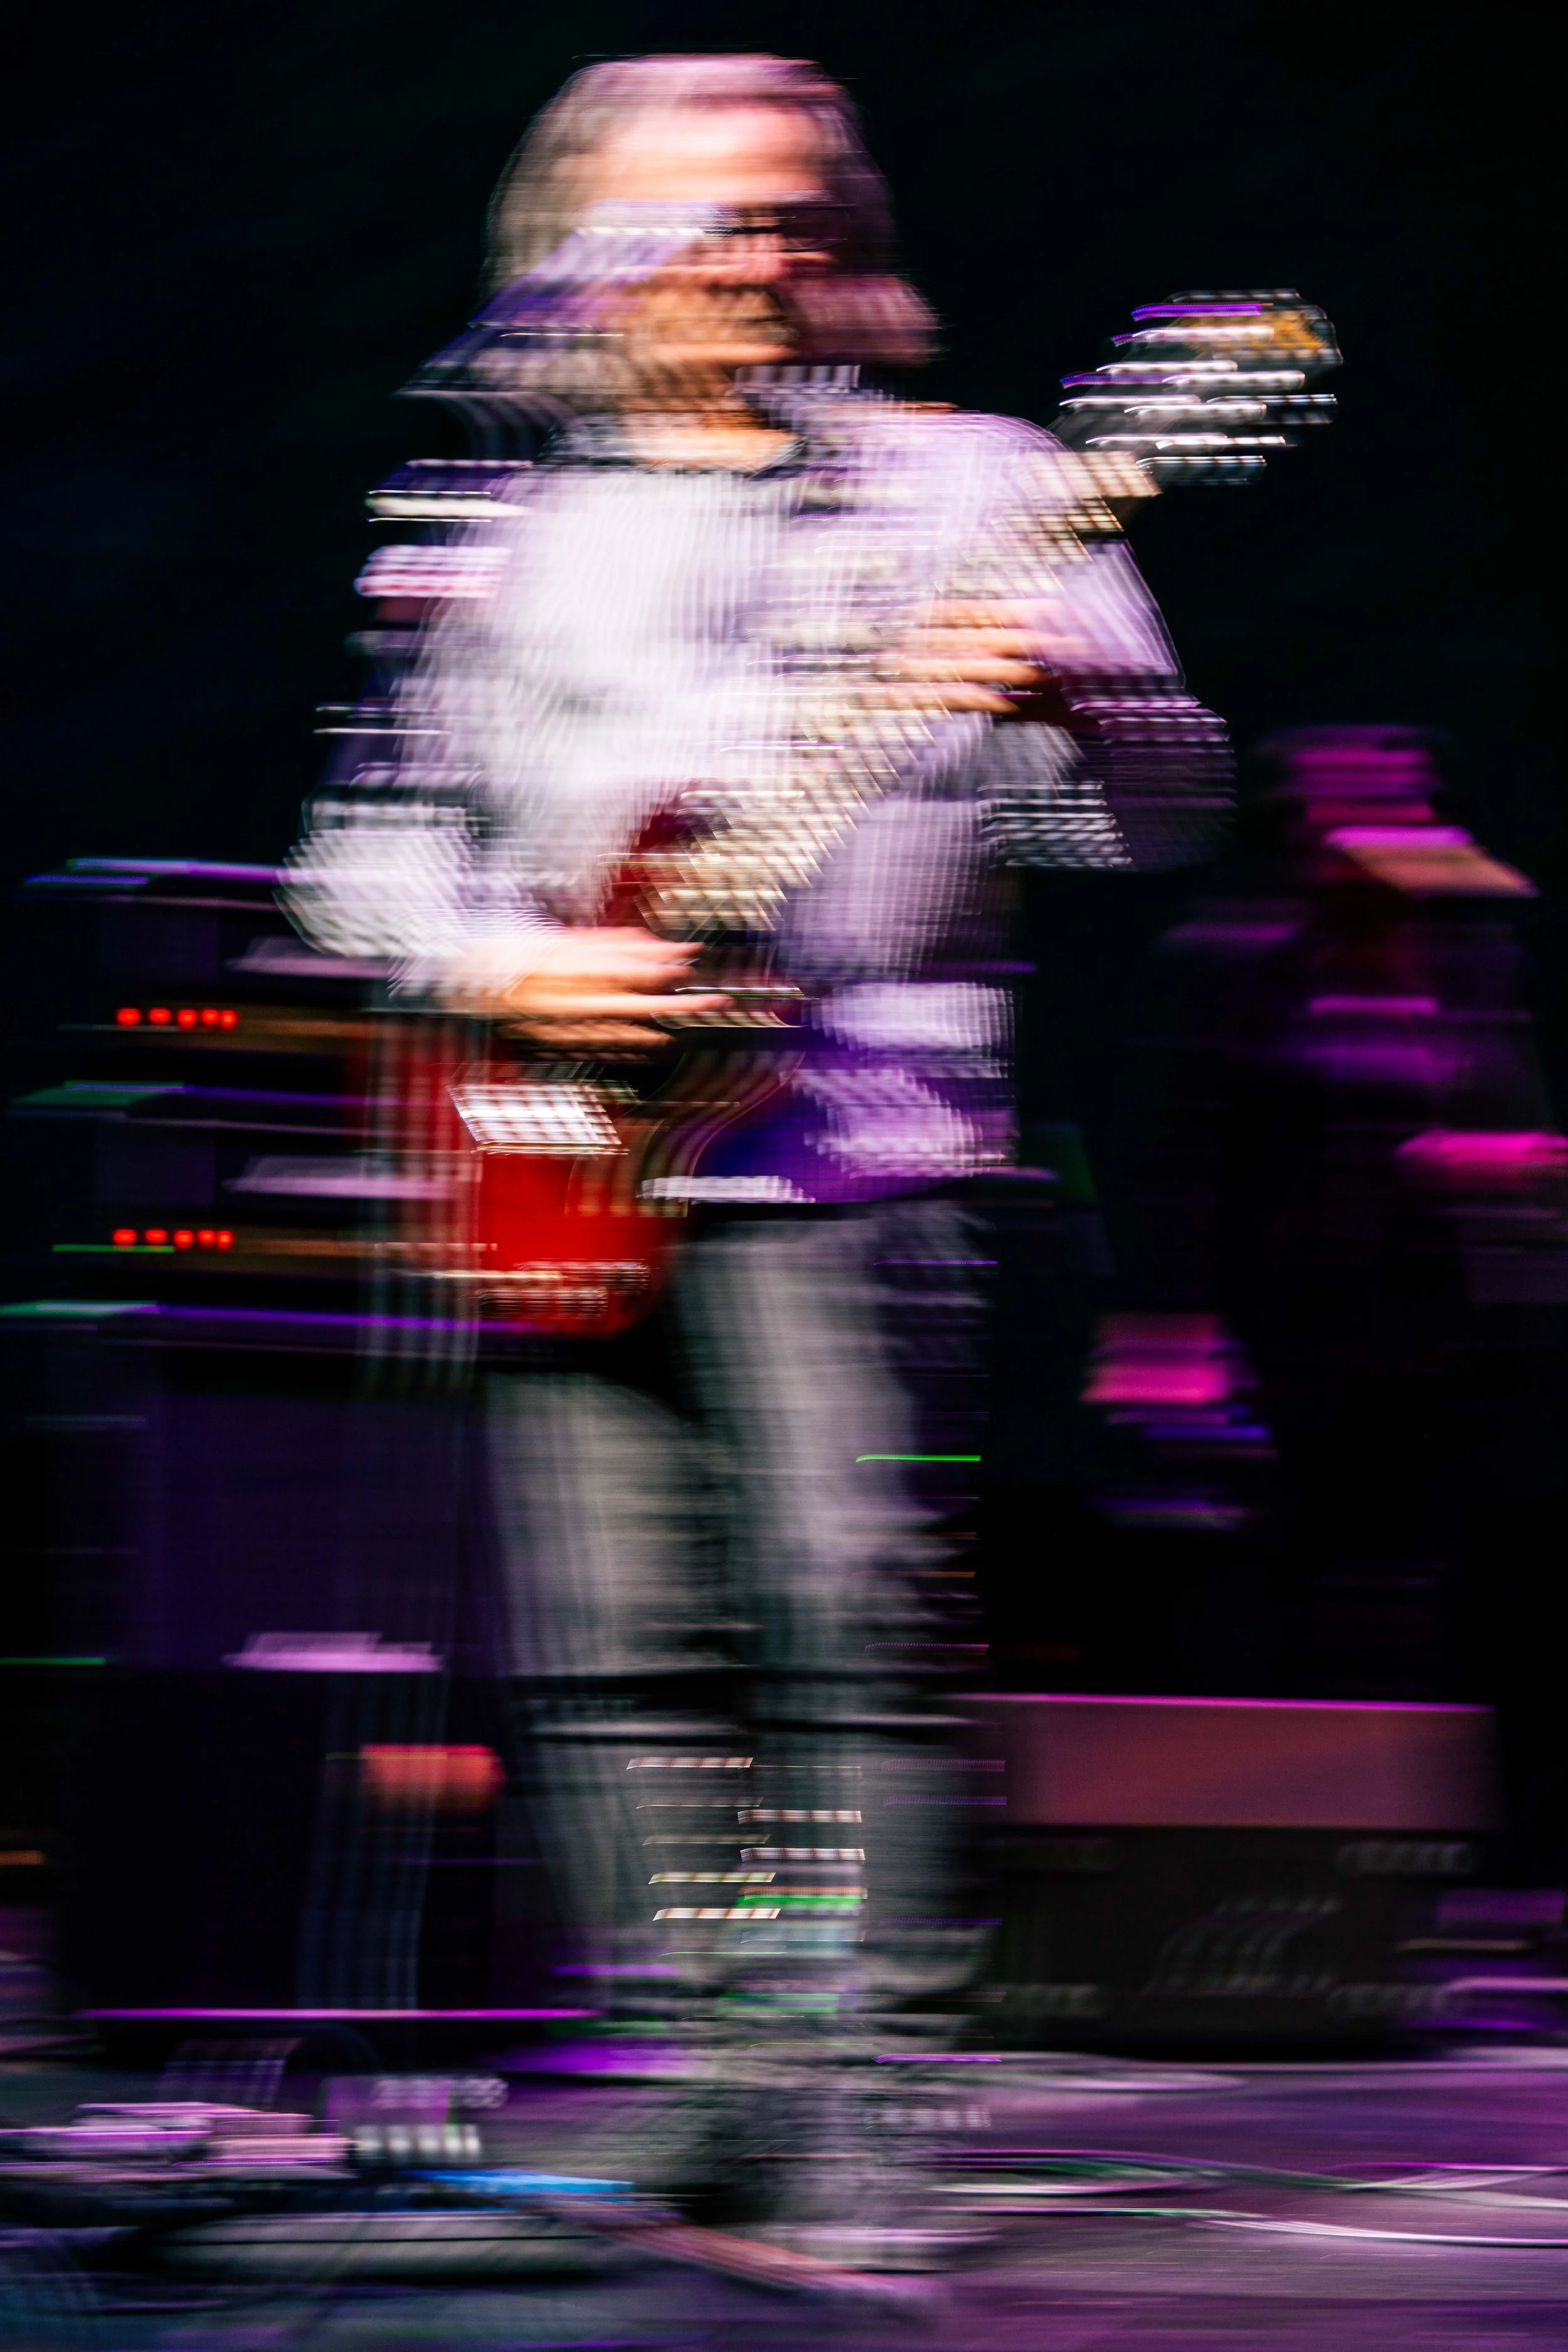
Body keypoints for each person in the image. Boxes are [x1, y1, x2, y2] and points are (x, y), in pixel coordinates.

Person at [281, 52, 1228, 2246]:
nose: (750, 259)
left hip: (854, 1142)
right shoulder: (493, 526)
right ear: (584, 251)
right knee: (616, 1657)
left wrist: (1064, 708)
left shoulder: (985, 487)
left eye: (788, 216)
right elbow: (358, 862)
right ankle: (715, 2046)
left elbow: (1158, 811)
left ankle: (866, 2083)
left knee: (849, 1613)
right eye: (698, 219)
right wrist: (514, 969)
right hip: (551, 1126)